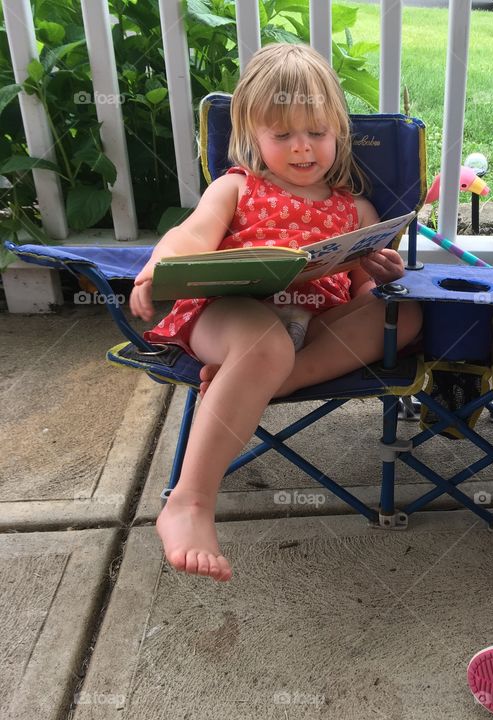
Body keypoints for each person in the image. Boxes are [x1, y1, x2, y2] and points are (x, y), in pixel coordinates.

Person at [129, 43, 421, 581]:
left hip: (309, 331)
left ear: (339, 129)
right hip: (230, 317)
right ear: (251, 133)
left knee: (403, 317)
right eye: (282, 135)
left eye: (317, 132)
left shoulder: (354, 208)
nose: (303, 148)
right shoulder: (237, 187)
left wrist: (375, 273)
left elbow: (360, 297)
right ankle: (189, 502)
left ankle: (267, 380)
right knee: (263, 343)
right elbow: (188, 236)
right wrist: (158, 268)